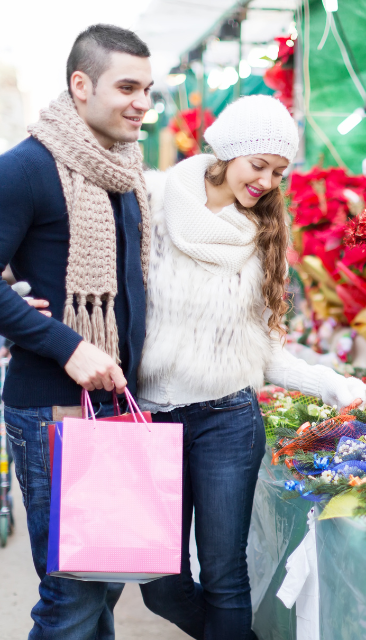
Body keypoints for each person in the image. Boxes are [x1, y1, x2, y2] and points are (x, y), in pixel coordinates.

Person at [136, 95, 366, 639]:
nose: (266, 181)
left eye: (278, 172)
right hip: (152, 422)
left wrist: (332, 384)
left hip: (227, 420)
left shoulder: (264, 236)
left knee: (223, 574)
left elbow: (263, 351)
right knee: (159, 581)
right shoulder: (154, 203)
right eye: (258, 165)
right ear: (227, 152)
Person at [0, 24, 153, 640]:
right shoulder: (27, 168)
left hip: (112, 405)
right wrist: (70, 345)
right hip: (50, 408)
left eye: (147, 88)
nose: (142, 102)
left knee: (100, 584)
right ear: (81, 85)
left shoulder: (125, 173)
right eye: (126, 86)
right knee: (72, 595)